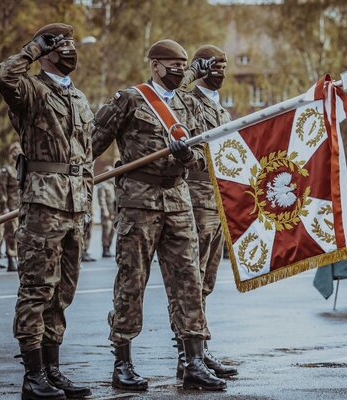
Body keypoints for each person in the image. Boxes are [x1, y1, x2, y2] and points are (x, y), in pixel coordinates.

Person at [92, 39, 226, 391]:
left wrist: (187, 157)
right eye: (173, 65)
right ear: (155, 65)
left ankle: (193, 361)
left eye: (184, 65)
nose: (180, 70)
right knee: (132, 280)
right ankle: (123, 363)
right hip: (139, 199)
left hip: (178, 197)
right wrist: (73, 177)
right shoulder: (131, 99)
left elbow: (201, 153)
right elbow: (93, 141)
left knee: (189, 281)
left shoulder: (187, 102)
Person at [0, 23, 93, 399]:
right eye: (60, 44)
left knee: (62, 293)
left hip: (74, 206)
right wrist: (31, 49)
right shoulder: (31, 89)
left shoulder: (80, 98)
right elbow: (2, 77)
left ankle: (53, 369)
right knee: (36, 289)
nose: (69, 50)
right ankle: (32, 374)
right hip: (42, 204)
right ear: (46, 51)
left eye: (70, 43)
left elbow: (85, 158)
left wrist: (87, 201)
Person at [177, 44, 238, 380]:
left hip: (217, 198)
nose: (221, 72)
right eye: (214, 66)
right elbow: (170, 98)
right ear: (200, 68)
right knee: (191, 281)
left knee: (206, 282)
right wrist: (191, 73)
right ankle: (189, 358)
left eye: (225, 66)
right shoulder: (186, 101)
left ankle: (198, 352)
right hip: (195, 194)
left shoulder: (223, 111)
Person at [0, 142, 22, 272]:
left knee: (22, 234)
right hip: (10, 207)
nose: (16, 152)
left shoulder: (23, 167)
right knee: (10, 234)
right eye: (14, 150)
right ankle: (11, 259)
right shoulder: (6, 170)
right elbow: (2, 191)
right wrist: (4, 207)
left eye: (18, 149)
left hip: (22, 206)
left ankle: (19, 258)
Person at [97, 165, 116, 258]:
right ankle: (105, 250)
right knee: (106, 232)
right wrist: (105, 210)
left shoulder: (112, 185)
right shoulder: (102, 185)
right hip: (107, 213)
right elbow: (101, 199)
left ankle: (108, 248)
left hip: (113, 213)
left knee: (112, 231)